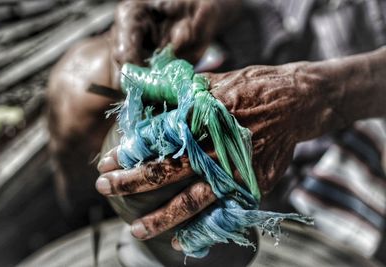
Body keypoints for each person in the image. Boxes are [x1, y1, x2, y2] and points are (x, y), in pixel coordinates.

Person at [48, 0, 386, 266]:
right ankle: (93, 230)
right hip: (285, 28)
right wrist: (213, 6)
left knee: (199, 146)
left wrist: (323, 96)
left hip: (364, 87)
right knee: (79, 88)